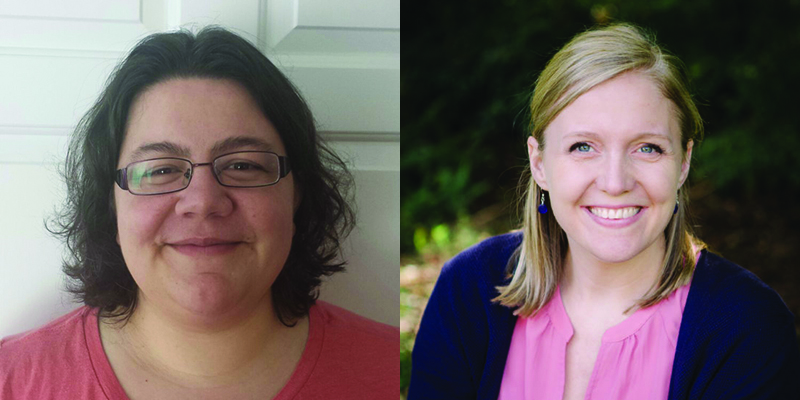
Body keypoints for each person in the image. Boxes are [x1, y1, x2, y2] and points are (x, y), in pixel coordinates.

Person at [0, 26, 398, 399]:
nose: (203, 201)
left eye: (243, 165)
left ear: (296, 196)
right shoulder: (12, 381)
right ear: (111, 207)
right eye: (161, 170)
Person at [409, 23, 800, 399]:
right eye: (583, 146)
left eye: (648, 148)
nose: (615, 182)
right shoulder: (469, 289)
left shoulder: (747, 326)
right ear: (539, 162)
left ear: (683, 162)